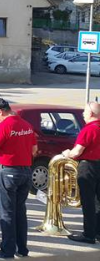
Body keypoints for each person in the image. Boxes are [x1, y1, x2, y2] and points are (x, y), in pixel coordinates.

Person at [0, 98, 37, 259]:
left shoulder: (4, 126)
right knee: (20, 211)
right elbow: (34, 150)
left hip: (7, 171)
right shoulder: (26, 125)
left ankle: (7, 250)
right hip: (25, 171)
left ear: (0, 111)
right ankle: (22, 249)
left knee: (6, 213)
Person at [61, 102, 100, 244]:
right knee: (98, 201)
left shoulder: (89, 129)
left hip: (89, 166)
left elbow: (77, 151)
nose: (83, 114)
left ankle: (88, 234)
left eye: (84, 111)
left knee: (88, 202)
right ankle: (97, 232)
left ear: (91, 113)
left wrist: (67, 154)